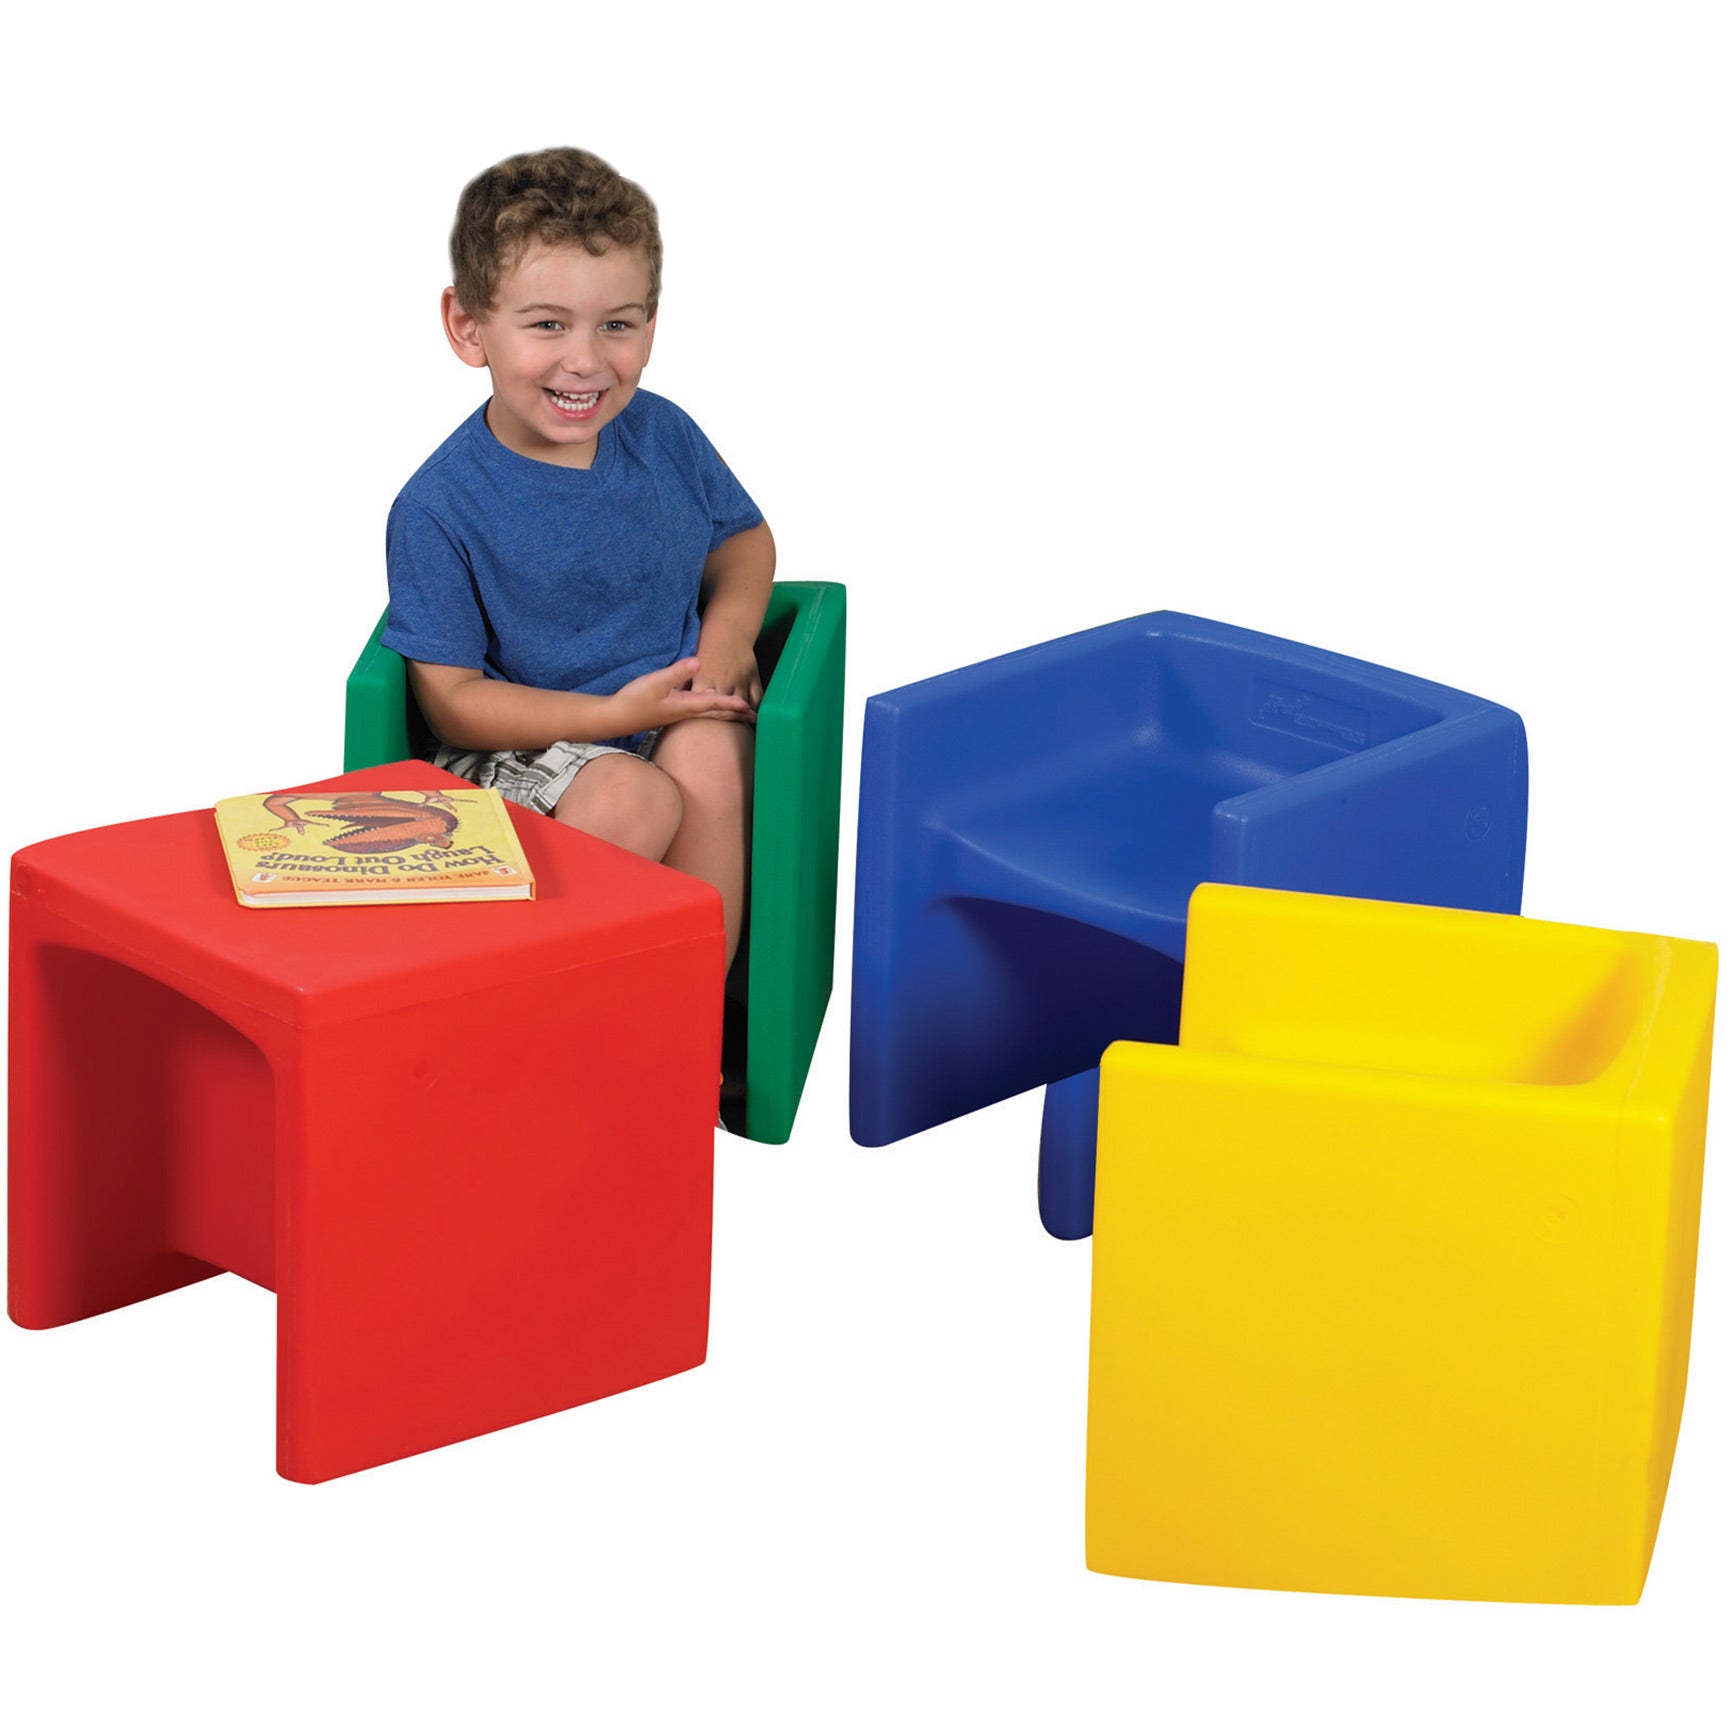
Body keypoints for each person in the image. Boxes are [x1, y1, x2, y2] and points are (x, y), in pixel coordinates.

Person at [384, 147, 773, 973]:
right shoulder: (437, 507)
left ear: (651, 325)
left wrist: (730, 635)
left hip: (661, 716)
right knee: (632, 793)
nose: (587, 360)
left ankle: (684, 1015)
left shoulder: (664, 434)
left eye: (617, 324)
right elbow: (454, 705)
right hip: (522, 750)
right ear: (468, 326)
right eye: (548, 324)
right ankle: (542, 1008)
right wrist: (609, 716)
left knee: (708, 747)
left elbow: (741, 537)